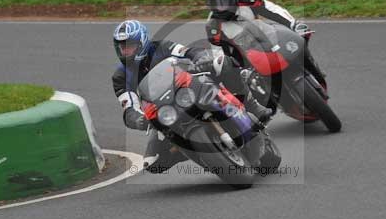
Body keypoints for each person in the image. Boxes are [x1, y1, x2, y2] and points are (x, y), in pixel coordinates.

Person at [111, 20, 272, 173]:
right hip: (163, 112)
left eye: (129, 47)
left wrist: (201, 58)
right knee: (153, 163)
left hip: (188, 89)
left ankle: (253, 105)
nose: (125, 52)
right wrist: (139, 119)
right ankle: (192, 151)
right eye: (121, 48)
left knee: (222, 63)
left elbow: (187, 51)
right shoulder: (120, 77)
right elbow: (129, 108)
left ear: (142, 42)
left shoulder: (162, 47)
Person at [204, 0, 326, 95]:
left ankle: (314, 68)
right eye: (217, 4)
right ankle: (265, 102)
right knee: (242, 87)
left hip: (267, 36)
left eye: (224, 3)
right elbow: (218, 53)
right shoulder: (213, 25)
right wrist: (232, 68)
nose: (221, 8)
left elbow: (273, 9)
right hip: (245, 55)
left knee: (299, 39)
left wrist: (294, 24)